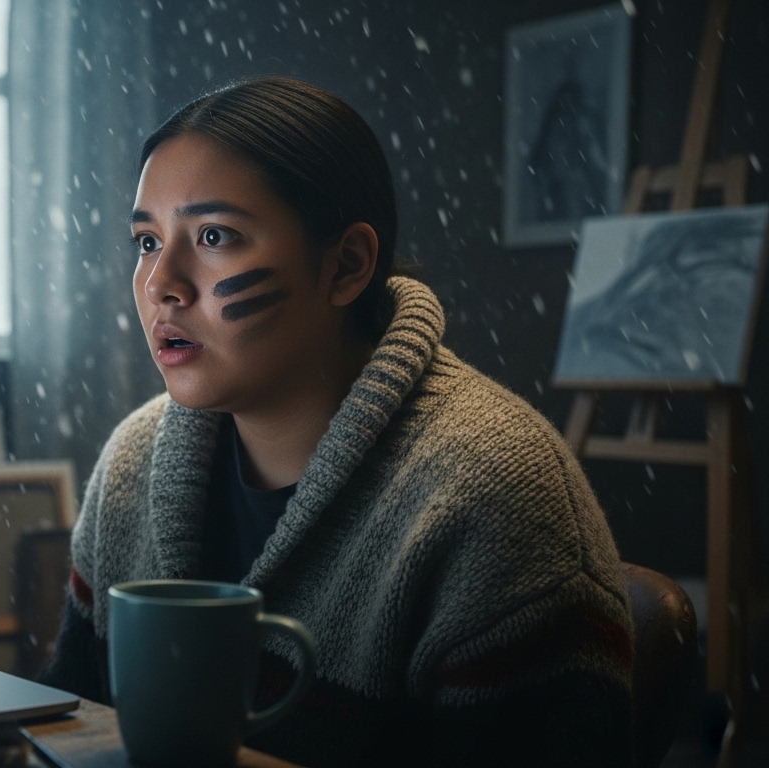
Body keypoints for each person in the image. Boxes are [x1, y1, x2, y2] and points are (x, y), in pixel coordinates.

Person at [39, 77, 635, 767]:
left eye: (213, 235)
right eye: (146, 241)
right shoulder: (131, 462)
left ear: (347, 265)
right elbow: (70, 723)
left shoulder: (497, 495)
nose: (161, 282)